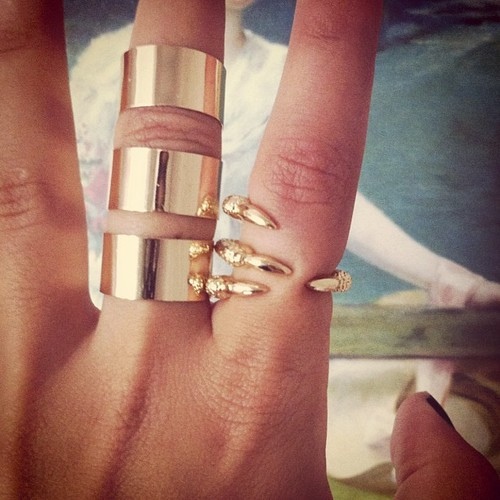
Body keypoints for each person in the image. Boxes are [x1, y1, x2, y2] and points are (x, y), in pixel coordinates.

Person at [0, 0, 498, 498]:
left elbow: (310, 201)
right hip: (100, 326)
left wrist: (437, 272)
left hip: (245, 338)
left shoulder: (279, 68)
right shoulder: (106, 59)